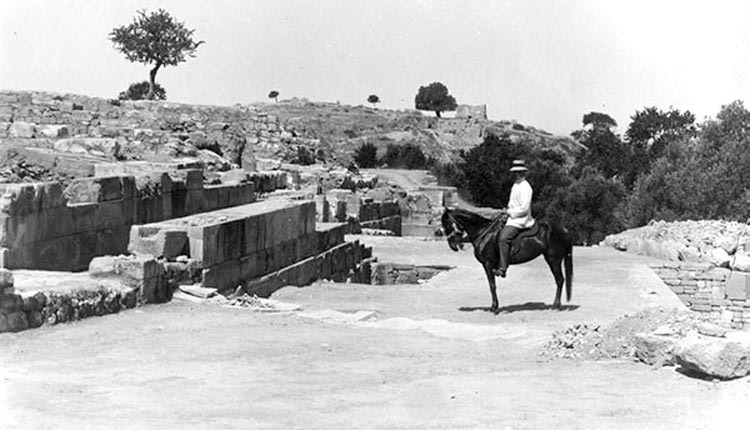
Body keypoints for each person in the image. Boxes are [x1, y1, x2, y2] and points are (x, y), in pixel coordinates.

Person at [494, 159, 535, 278]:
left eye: (518, 172)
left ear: (523, 173)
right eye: (515, 172)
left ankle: (503, 267)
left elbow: (524, 208)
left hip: (520, 220)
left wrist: (509, 212)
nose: (516, 175)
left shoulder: (526, 187)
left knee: (504, 238)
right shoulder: (515, 185)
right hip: (512, 217)